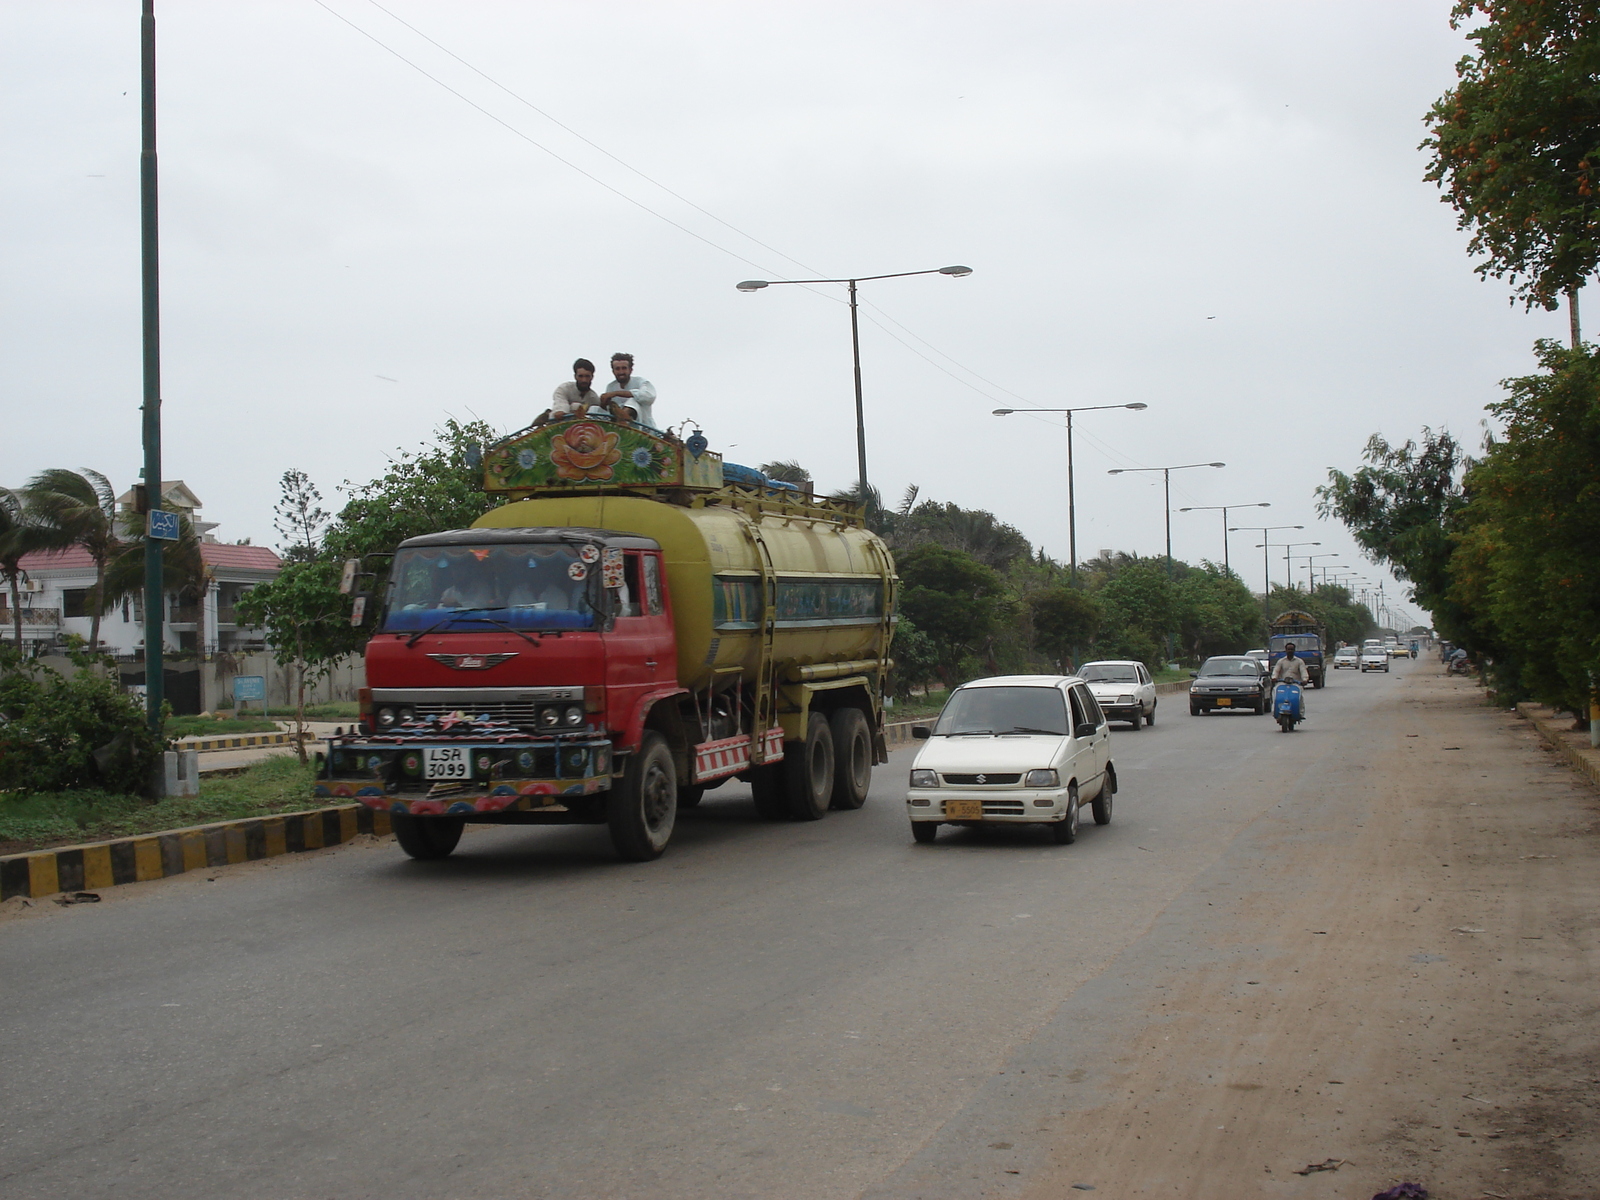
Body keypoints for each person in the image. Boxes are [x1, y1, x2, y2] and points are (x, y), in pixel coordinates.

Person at [534, 358, 634, 426]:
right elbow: (560, 406)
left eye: (587, 376)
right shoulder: (564, 388)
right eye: (581, 376)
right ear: (575, 376)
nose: (584, 380)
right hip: (558, 427)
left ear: (592, 377)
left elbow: (599, 412)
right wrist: (563, 412)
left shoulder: (593, 397)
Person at [599, 352, 657, 429]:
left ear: (630, 370)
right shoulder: (611, 386)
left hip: (642, 428)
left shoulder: (641, 382)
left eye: (624, 368)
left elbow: (648, 396)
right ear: (613, 371)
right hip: (616, 429)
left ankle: (623, 421)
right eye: (617, 369)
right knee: (594, 408)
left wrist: (616, 393)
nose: (621, 372)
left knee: (633, 401)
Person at [1271, 642, 1310, 717]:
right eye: (1288, 649)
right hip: (1282, 683)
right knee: (1276, 694)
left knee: (1299, 697)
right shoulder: (1281, 661)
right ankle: (1275, 711)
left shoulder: (1299, 661)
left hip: (1295, 684)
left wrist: (1305, 679)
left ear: (1294, 650)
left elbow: (1303, 671)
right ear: (1285, 650)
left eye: (1292, 649)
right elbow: (1276, 671)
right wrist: (1274, 678)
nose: (1290, 651)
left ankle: (1300, 713)